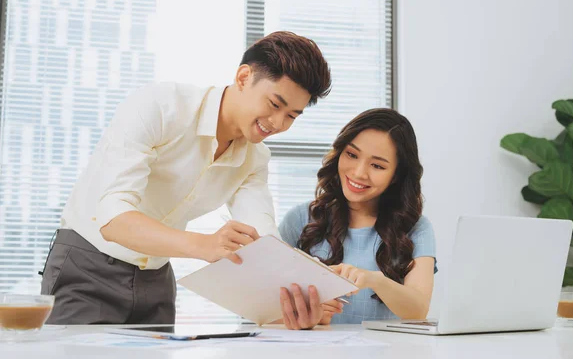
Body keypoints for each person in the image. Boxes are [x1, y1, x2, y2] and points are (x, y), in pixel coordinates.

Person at [40, 31, 331, 325]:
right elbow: (112, 219)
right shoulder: (161, 106)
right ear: (243, 77)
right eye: (274, 104)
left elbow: (261, 239)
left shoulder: (255, 158)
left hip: (156, 280)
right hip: (87, 265)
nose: (278, 123)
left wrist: (306, 291)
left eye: (292, 116)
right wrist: (203, 245)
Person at [277, 108, 437, 329]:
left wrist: (374, 280)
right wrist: (309, 314)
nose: (359, 173)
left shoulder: (416, 229)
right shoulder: (300, 219)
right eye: (352, 155)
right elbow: (261, 309)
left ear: (396, 176)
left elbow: (418, 310)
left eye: (377, 166)